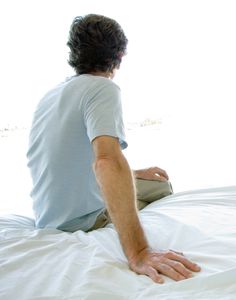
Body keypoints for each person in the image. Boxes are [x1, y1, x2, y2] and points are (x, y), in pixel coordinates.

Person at [26, 14, 200, 284]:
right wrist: (139, 252)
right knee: (163, 189)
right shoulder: (102, 88)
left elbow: (68, 159)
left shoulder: (50, 96)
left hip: (48, 215)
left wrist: (134, 171)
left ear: (75, 52)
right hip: (80, 220)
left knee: (154, 182)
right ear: (120, 55)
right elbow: (105, 161)